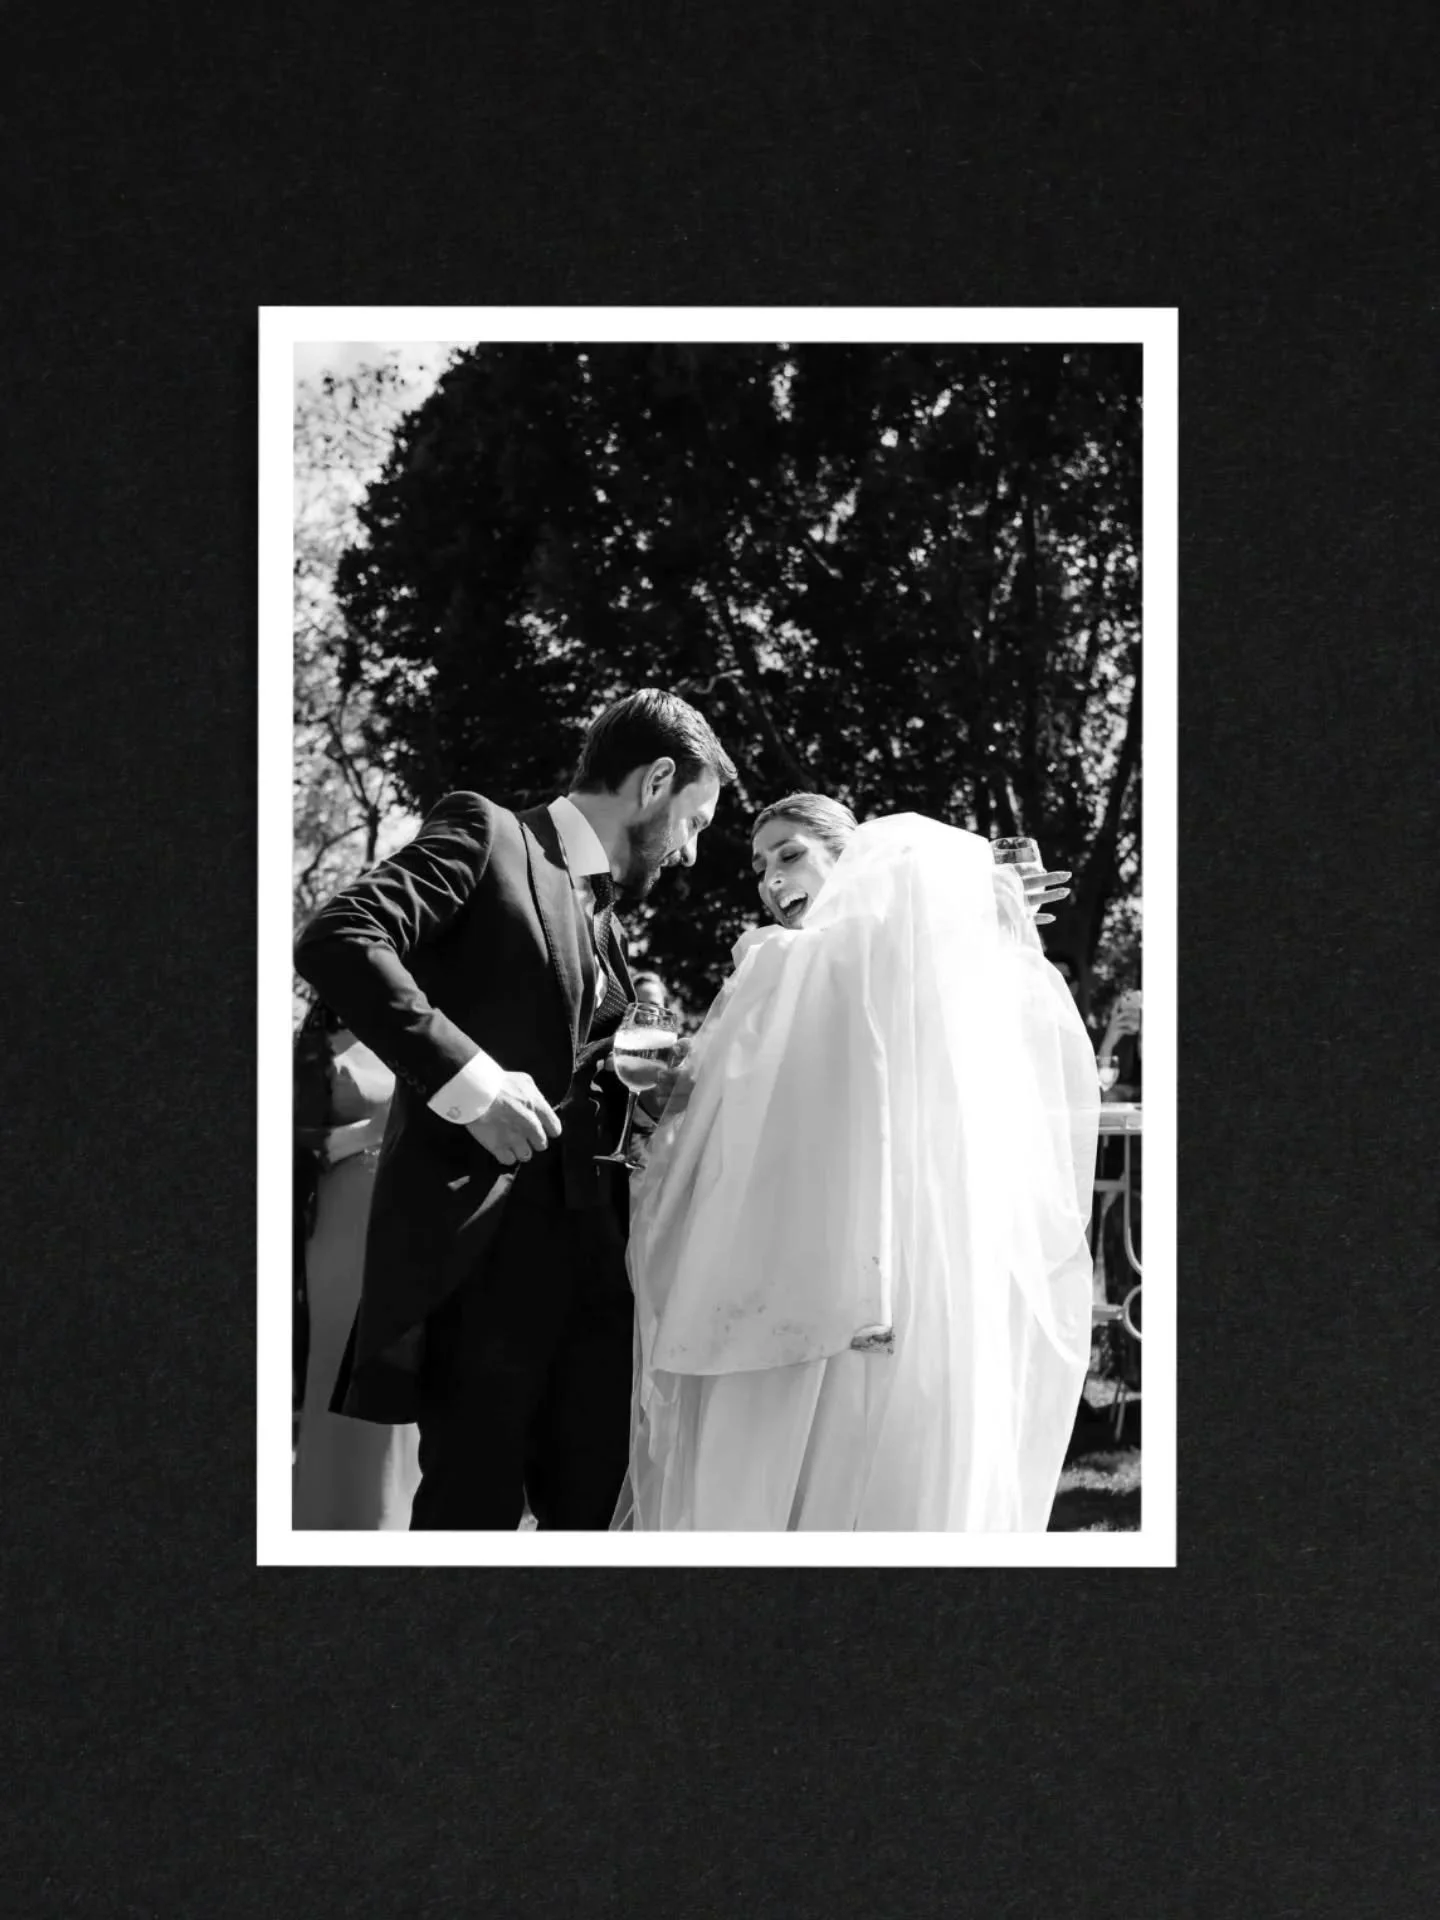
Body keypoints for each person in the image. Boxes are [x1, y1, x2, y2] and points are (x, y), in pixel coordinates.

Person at [293, 689, 736, 1529]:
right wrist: (474, 1087)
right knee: (471, 1518)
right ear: (656, 782)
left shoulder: (607, 922)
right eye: (696, 820)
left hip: (598, 1286)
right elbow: (340, 936)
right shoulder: (489, 833)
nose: (689, 852)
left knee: (596, 1517)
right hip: (485, 1271)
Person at [620, 793, 1099, 1531]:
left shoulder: (882, 962)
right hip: (774, 1267)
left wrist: (985, 906)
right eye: (758, 867)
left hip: (886, 1278)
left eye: (790, 855)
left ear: (852, 863)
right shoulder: (772, 967)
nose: (771, 881)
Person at [292, 1003, 420, 1528]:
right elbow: (286, 1139)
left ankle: (398, 1519)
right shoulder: (318, 1047)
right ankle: (327, 1518)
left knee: (397, 1363)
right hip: (342, 1221)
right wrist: (371, 1133)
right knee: (337, 1367)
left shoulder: (407, 1040)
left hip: (406, 1221)